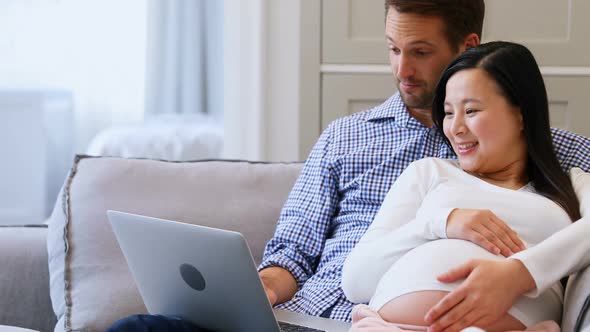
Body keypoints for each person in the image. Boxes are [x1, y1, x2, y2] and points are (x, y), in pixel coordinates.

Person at [107, 1, 590, 331]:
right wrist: (251, 291)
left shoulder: (558, 157)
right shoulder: (348, 137)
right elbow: (292, 253)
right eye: (393, 50)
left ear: (467, 47)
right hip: (305, 318)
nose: (402, 70)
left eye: (420, 53)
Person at [341, 41, 590, 332]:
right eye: (448, 112)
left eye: (471, 111)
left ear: (520, 112)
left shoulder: (572, 184)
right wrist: (441, 223)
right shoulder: (429, 172)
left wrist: (520, 274)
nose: (455, 128)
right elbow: (355, 281)